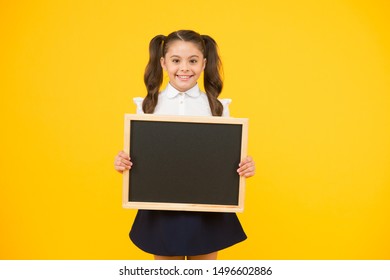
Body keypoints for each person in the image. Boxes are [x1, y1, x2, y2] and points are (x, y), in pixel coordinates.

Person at [114, 30, 255, 260]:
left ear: (203, 63)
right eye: (176, 60)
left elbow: (227, 158)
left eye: (193, 60)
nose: (184, 68)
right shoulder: (148, 106)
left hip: (207, 207)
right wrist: (123, 161)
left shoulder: (217, 107)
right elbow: (138, 158)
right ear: (163, 63)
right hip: (161, 206)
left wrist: (244, 166)